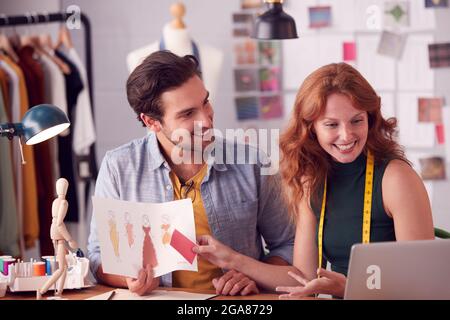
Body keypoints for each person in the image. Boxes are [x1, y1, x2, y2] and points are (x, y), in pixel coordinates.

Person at [193, 62, 435, 298]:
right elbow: (302, 278)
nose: (346, 134)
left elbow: (422, 283)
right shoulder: (313, 179)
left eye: (357, 120)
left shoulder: (395, 179)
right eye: (331, 124)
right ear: (311, 129)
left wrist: (346, 288)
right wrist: (232, 260)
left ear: (369, 119)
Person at [87, 51, 294, 296]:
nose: (206, 120)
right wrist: (129, 279)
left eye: (205, 102)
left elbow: (287, 244)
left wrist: (253, 277)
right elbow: (98, 255)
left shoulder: (253, 163)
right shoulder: (118, 168)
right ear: (152, 122)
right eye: (187, 114)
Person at [37, 178, 78, 299]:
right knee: (61, 268)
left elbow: (56, 222)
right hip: (59, 233)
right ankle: (42, 290)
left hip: (53, 231)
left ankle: (59, 291)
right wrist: (70, 239)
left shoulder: (55, 201)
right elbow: (60, 223)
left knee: (64, 266)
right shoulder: (64, 203)